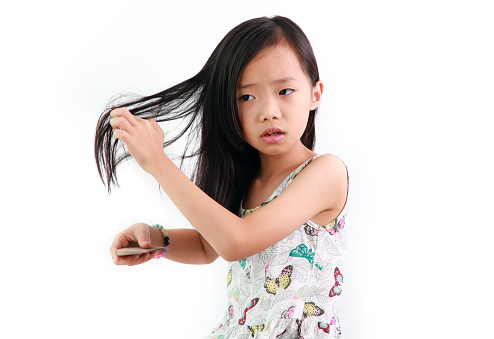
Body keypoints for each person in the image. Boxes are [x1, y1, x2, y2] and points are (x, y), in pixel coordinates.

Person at [95, 16, 349, 338]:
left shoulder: (325, 173)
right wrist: (158, 240)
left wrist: (157, 161)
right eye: (246, 97)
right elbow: (208, 245)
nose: (269, 111)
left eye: (285, 90)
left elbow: (237, 241)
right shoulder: (249, 179)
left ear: (315, 94)